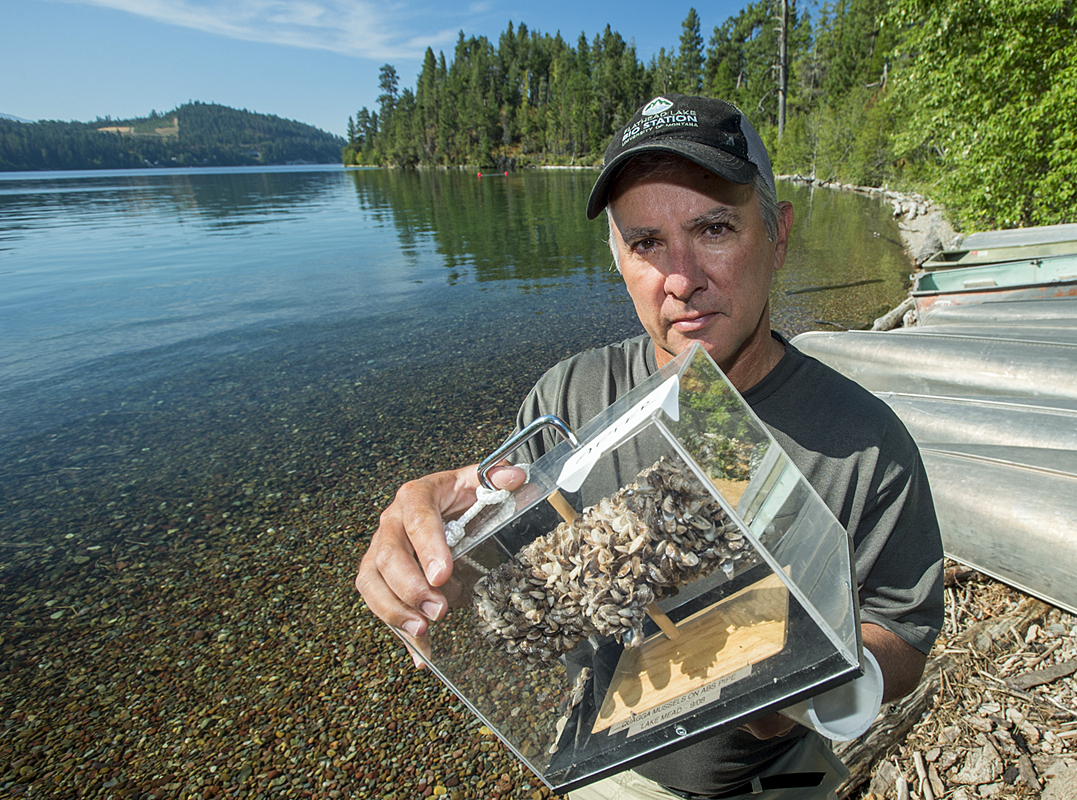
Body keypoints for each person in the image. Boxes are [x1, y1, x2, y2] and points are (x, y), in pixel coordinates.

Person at [356, 94, 944, 800]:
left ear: (778, 235)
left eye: (715, 227)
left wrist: (806, 683)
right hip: (610, 764)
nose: (681, 278)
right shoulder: (567, 401)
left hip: (778, 773)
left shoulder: (867, 445)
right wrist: (432, 543)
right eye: (646, 243)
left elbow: (902, 634)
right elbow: (501, 577)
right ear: (617, 257)